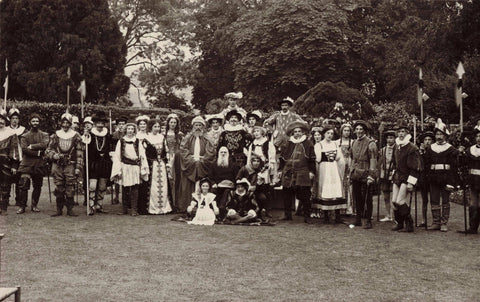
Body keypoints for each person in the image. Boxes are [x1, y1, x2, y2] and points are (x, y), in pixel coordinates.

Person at [45, 112, 84, 217]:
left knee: (70, 187)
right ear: (60, 123)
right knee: (59, 187)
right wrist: (53, 155)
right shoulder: (55, 136)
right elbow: (48, 150)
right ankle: (59, 209)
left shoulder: (76, 136)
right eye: (64, 123)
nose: (65, 125)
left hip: (70, 165)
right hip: (57, 165)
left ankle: (70, 209)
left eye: (68, 123)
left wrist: (78, 167)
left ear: (71, 123)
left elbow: (80, 153)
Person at [424, 119, 459, 232]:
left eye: (441, 134)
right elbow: (426, 164)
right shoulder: (430, 148)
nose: (439, 136)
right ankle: (436, 222)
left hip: (446, 177)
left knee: (445, 200)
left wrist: (451, 182)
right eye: (437, 134)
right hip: (433, 177)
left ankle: (444, 223)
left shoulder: (451, 149)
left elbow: (454, 167)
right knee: (434, 200)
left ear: (445, 135)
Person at [279, 120, 315, 223]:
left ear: (303, 132)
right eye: (295, 132)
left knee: (305, 195)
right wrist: (280, 170)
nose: (297, 133)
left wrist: (311, 171)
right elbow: (282, 158)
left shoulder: (308, 143)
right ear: (292, 133)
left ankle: (307, 216)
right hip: (288, 171)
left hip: (303, 171)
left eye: (299, 131)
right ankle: (287, 215)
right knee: (287, 194)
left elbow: (312, 158)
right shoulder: (288, 143)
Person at [177, 116, 216, 213]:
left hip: (203, 164)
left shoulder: (208, 138)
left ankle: (203, 206)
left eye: (200, 125)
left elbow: (210, 151)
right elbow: (183, 150)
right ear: (193, 126)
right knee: (188, 186)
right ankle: (188, 207)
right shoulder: (187, 138)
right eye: (196, 125)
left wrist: (202, 161)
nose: (198, 127)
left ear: (203, 127)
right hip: (190, 164)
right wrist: (191, 160)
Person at [111, 122, 149, 216]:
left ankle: (134, 210)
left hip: (135, 167)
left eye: (132, 129)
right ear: (125, 130)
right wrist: (118, 169)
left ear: (134, 130)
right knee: (124, 188)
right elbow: (117, 155)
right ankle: (124, 209)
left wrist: (143, 167)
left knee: (135, 188)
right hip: (125, 166)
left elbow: (142, 155)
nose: (130, 131)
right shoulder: (121, 141)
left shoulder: (137, 141)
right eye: (129, 129)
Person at [390, 122, 422, 232]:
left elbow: (415, 167)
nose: (400, 134)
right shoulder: (397, 146)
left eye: (403, 131)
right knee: (394, 201)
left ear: (407, 133)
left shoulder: (412, 148)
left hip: (407, 178)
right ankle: (399, 223)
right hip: (397, 177)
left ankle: (409, 224)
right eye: (399, 132)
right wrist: (393, 174)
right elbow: (395, 163)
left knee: (400, 201)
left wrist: (411, 183)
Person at [16, 113, 49, 214]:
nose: (35, 123)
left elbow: (44, 145)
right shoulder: (24, 136)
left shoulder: (44, 135)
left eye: (37, 121)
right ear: (29, 122)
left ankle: (34, 205)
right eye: (33, 121)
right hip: (27, 163)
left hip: (39, 164)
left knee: (38, 185)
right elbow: (24, 149)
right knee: (24, 184)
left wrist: (32, 146)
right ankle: (22, 206)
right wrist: (38, 152)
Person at [313, 126, 346, 223]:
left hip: (334, 169)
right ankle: (326, 216)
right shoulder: (319, 145)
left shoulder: (335, 145)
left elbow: (339, 158)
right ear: (324, 134)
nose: (330, 135)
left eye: (331, 133)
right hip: (324, 169)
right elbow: (317, 160)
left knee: (335, 189)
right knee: (325, 189)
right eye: (328, 133)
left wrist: (341, 171)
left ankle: (337, 216)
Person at [84, 111, 113, 215]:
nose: (100, 125)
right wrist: (86, 136)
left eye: (102, 123)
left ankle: (99, 205)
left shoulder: (108, 135)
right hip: (93, 163)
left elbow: (111, 146)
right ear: (95, 123)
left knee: (102, 185)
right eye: (98, 123)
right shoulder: (90, 134)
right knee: (92, 185)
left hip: (104, 163)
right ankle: (91, 206)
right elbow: (85, 146)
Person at [350, 120, 378, 229]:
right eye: (357, 129)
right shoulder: (354, 142)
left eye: (361, 129)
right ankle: (358, 218)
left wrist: (371, 175)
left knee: (367, 198)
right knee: (357, 197)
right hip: (356, 173)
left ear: (364, 130)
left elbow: (373, 160)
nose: (358, 131)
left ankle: (368, 220)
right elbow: (353, 159)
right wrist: (351, 172)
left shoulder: (371, 143)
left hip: (366, 172)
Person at [145, 119, 172, 215]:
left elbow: (166, 152)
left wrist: (167, 163)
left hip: (162, 165)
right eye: (155, 127)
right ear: (151, 127)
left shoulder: (162, 137)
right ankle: (153, 207)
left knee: (164, 185)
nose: (157, 128)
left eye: (158, 127)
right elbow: (145, 154)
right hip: (153, 166)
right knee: (152, 186)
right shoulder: (146, 138)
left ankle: (164, 206)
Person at [0, 110, 19, 215]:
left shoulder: (11, 134)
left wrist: (14, 165)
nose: (0, 121)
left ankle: (4, 208)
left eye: (2, 119)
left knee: (5, 186)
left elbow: (14, 151)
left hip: (6, 164)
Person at [164, 113, 184, 210]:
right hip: (166, 157)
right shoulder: (163, 134)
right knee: (167, 179)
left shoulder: (179, 134)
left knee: (176, 179)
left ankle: (177, 203)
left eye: (174, 122)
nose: (173, 124)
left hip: (176, 158)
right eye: (171, 122)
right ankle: (168, 203)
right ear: (168, 123)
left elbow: (182, 146)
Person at [211, 147, 237, 218]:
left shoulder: (233, 165)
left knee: (227, 191)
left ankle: (221, 208)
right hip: (218, 185)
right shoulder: (214, 164)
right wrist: (213, 183)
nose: (223, 154)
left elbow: (236, 177)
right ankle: (214, 211)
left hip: (229, 186)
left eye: (225, 152)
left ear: (228, 154)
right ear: (219, 153)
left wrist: (233, 184)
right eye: (221, 152)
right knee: (213, 191)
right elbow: (210, 176)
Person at [377, 129, 396, 222]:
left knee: (394, 196)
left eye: (391, 138)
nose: (389, 140)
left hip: (394, 175)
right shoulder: (383, 150)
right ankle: (388, 215)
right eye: (388, 138)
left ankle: (395, 215)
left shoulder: (398, 148)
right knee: (385, 196)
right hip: (384, 175)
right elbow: (379, 162)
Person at [463, 128, 480, 233]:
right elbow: (464, 165)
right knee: (473, 205)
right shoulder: (470, 150)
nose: (479, 138)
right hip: (473, 181)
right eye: (478, 136)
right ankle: (472, 227)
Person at [8, 108, 25, 207]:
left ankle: (19, 200)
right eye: (13, 118)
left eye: (16, 118)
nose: (15, 120)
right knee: (7, 179)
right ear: (10, 119)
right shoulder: (6, 130)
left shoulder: (23, 130)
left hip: (20, 158)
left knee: (20, 180)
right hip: (9, 158)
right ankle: (6, 199)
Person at [335, 123, 354, 215]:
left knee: (349, 185)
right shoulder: (337, 142)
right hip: (340, 165)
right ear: (341, 131)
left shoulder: (353, 142)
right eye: (345, 130)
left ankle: (349, 208)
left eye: (348, 131)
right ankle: (339, 207)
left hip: (350, 163)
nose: (346, 132)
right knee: (340, 184)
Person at [417, 131, 434, 227]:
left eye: (429, 139)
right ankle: (424, 220)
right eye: (426, 140)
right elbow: (419, 164)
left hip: (432, 177)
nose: (427, 142)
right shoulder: (420, 152)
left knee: (433, 199)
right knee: (424, 199)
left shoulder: (435, 151)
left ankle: (435, 220)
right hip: (423, 177)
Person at [111, 115, 127, 204]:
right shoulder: (114, 135)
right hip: (116, 156)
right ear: (117, 125)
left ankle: (126, 196)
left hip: (126, 157)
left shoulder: (128, 133)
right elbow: (112, 147)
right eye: (120, 124)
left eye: (123, 124)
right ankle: (116, 196)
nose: (121, 125)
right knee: (117, 175)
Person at [135, 115, 150, 215]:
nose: (142, 126)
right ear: (138, 126)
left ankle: (147, 205)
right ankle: (138, 206)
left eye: (144, 124)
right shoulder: (136, 136)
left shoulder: (149, 135)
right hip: (139, 160)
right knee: (138, 183)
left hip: (148, 160)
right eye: (141, 124)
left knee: (147, 182)